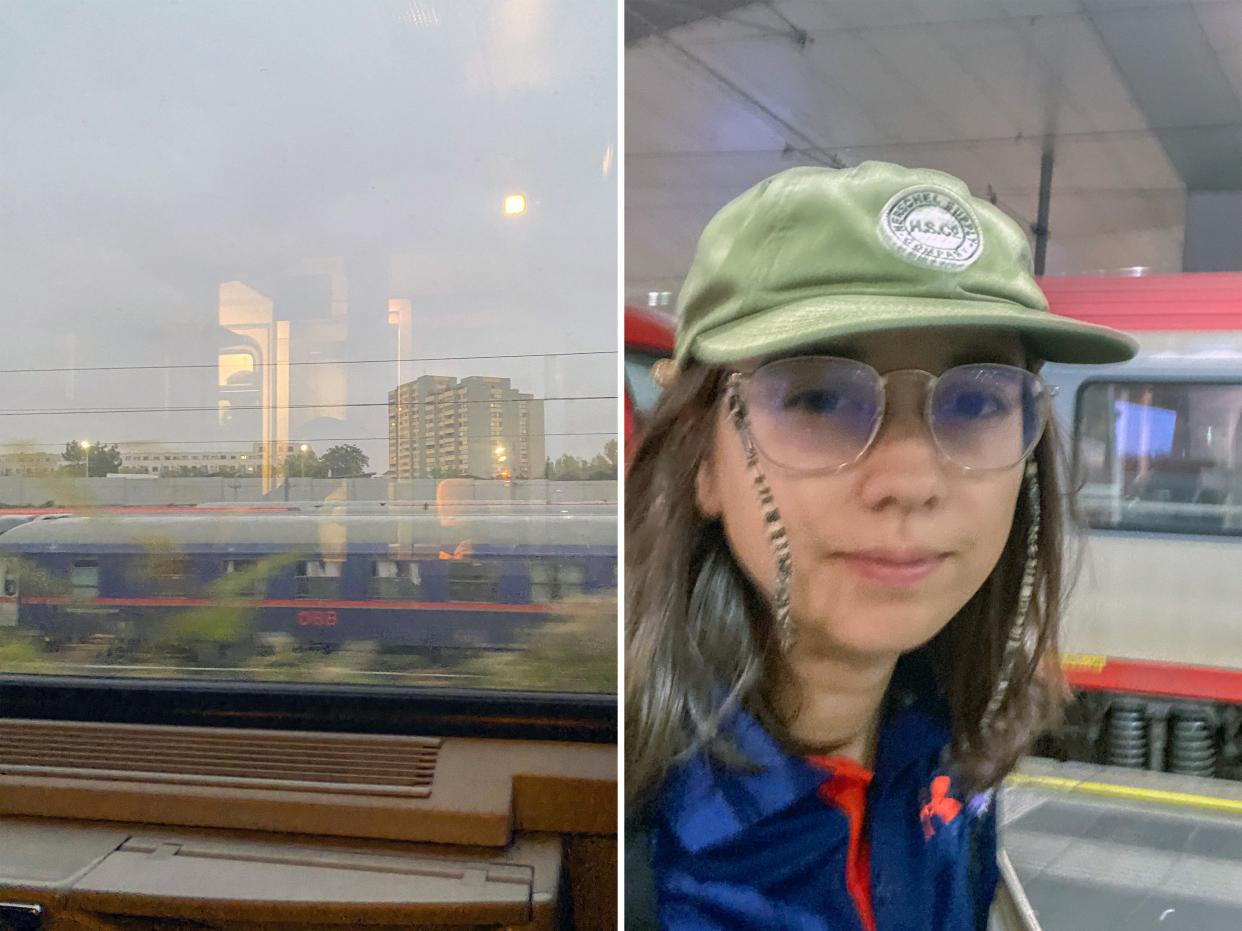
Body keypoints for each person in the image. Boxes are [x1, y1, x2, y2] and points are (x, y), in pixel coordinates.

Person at [624, 161, 1137, 930]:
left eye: (975, 400)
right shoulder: (629, 845)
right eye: (819, 397)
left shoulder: (947, 761)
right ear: (702, 462)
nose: (910, 477)